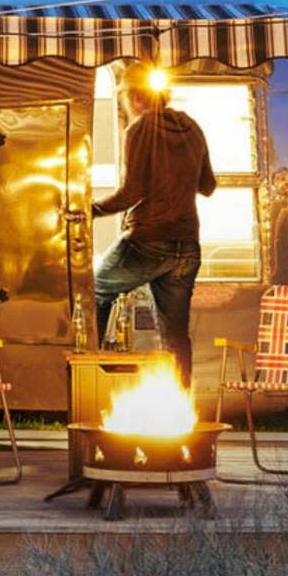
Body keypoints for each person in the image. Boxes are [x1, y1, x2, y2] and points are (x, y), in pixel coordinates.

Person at [91, 66, 216, 387]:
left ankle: (94, 381)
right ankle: (179, 410)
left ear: (133, 98)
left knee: (95, 292)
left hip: (147, 240)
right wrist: (180, 174)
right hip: (187, 246)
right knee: (175, 335)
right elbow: (208, 185)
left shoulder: (138, 130)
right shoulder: (193, 129)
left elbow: (131, 193)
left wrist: (89, 209)